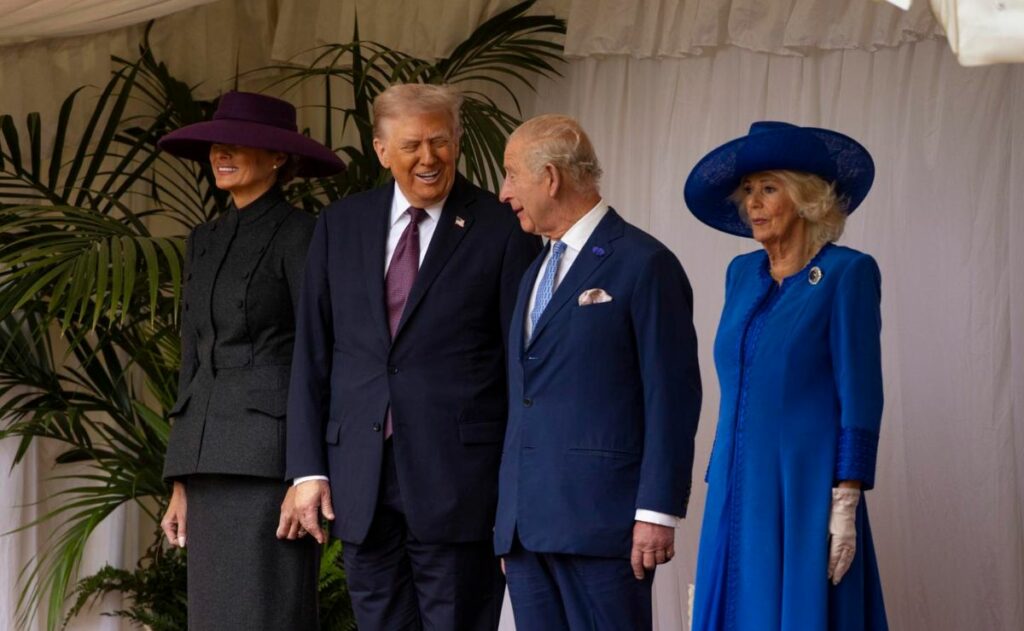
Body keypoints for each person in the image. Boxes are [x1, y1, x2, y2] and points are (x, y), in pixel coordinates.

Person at [283, 83, 540, 631]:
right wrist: (307, 469)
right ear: (381, 151)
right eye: (411, 145)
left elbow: (522, 365)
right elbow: (313, 352)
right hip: (361, 482)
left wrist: (518, 490)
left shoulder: (502, 228)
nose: (429, 158)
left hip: (460, 484)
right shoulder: (340, 225)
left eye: (440, 141)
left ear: (458, 141)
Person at [492, 114, 702, 631]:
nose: (503, 193)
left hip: (604, 527)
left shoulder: (644, 263)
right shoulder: (533, 271)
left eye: (512, 175)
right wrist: (508, 520)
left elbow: (672, 396)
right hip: (527, 531)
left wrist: (657, 511)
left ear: (550, 178)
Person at [684, 121, 888, 630]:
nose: (753, 203)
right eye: (748, 190)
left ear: (805, 198)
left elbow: (861, 394)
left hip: (804, 486)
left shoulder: (847, 274)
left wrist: (846, 498)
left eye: (769, 189)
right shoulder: (740, 275)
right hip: (734, 480)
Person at [156, 91, 345, 630]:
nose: (221, 154)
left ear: (279, 156)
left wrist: (307, 472)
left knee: (268, 614)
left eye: (237, 144)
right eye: (217, 144)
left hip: (271, 464)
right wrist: (180, 480)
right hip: (207, 465)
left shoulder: (302, 233)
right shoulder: (203, 239)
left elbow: (321, 353)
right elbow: (193, 359)